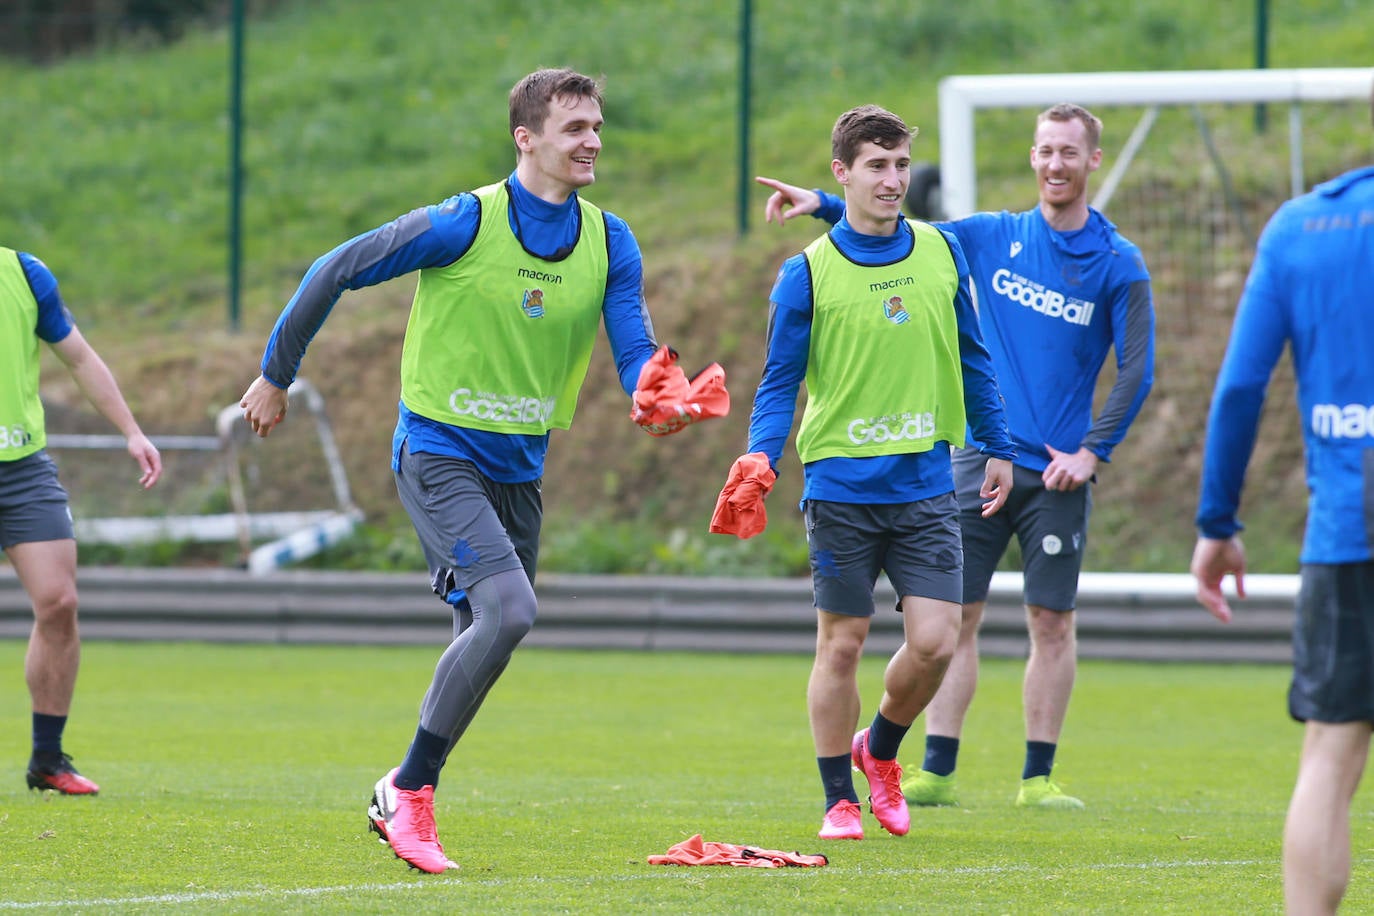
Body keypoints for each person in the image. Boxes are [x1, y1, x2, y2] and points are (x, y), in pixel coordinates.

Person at [239, 68, 725, 874]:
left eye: (598, 126)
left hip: (519, 469)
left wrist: (656, 395)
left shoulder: (612, 240)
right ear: (525, 138)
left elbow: (633, 348)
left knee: (486, 631)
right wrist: (274, 374)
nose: (593, 141)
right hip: (437, 450)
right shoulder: (464, 222)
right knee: (509, 612)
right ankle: (409, 790)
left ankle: (404, 791)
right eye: (574, 128)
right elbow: (336, 267)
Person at [757, 101, 1155, 809]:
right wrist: (820, 201)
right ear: (1032, 158)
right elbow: (890, 232)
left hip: (1058, 470)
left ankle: (1037, 776)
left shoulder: (1118, 262)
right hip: (971, 462)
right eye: (1045, 150)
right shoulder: (990, 237)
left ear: (1093, 160)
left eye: (1069, 151)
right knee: (953, 622)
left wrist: (1096, 451)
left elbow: (1136, 369)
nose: (1056, 163)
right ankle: (933, 768)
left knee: (1049, 620)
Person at [710, 104, 1015, 841]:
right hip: (841, 487)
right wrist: (760, 455)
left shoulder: (943, 253)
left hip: (925, 484)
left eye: (902, 165)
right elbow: (779, 382)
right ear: (842, 173)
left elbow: (973, 357)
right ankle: (837, 799)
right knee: (841, 643)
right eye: (877, 166)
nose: (893, 179)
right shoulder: (805, 272)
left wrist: (997, 443)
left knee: (938, 641)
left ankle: (879, 750)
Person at [1191, 82, 1374, 916]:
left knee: (1331, 758)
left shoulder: (1303, 227)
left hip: (1349, 530)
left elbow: (1238, 392)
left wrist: (1217, 524)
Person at [1, 247, 163, 795]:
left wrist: (132, 431)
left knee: (59, 603)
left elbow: (80, 359)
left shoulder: (23, 273)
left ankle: (47, 760)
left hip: (21, 467)